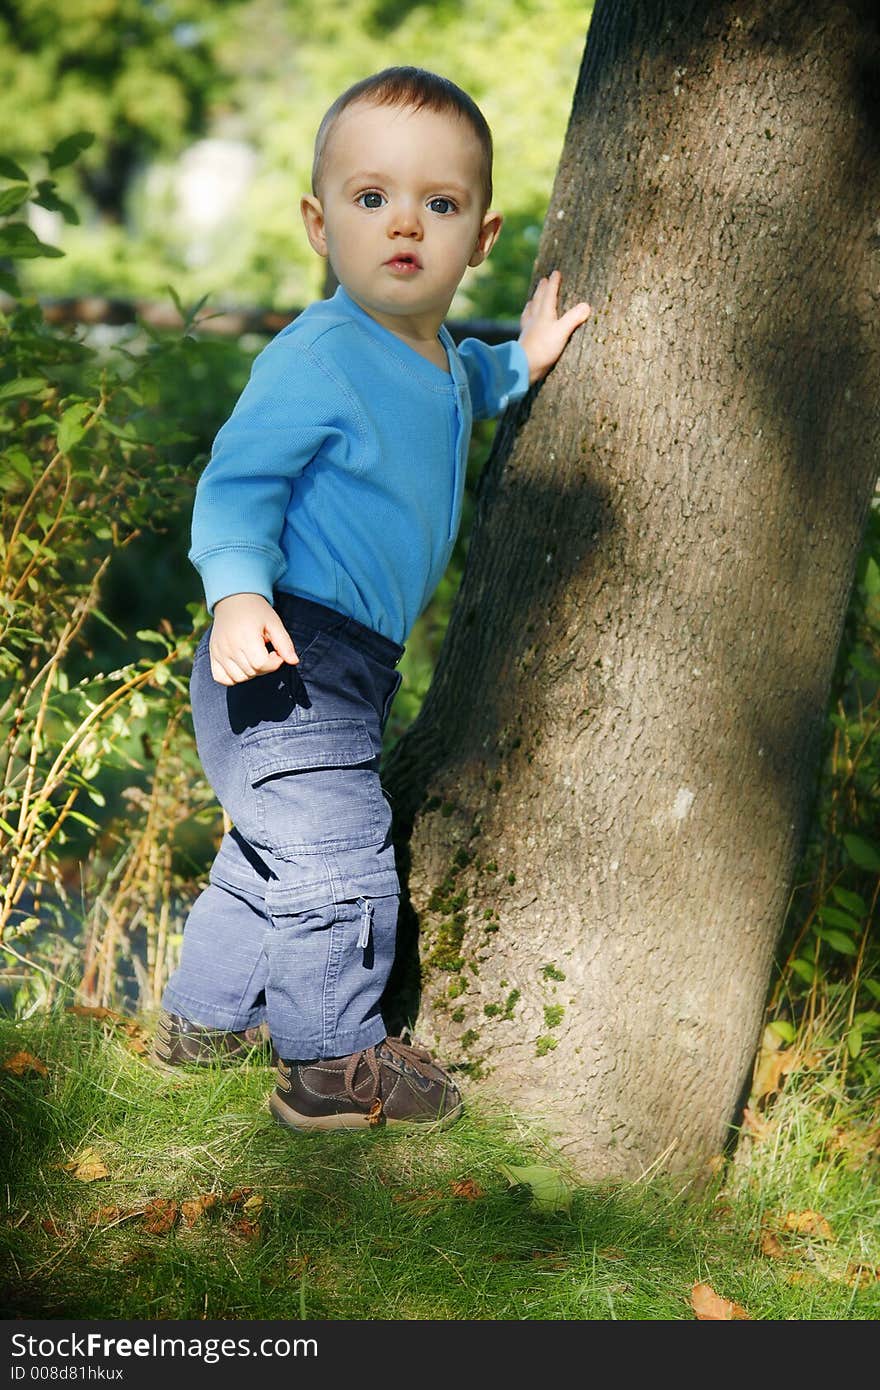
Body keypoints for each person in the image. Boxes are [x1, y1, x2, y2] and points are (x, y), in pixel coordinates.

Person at [152, 66, 591, 1131]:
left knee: (273, 856)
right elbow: (238, 486)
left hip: (349, 662)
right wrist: (234, 597)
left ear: (478, 238)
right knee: (343, 849)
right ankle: (331, 1065)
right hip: (284, 644)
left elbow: (464, 394)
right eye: (370, 199)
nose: (406, 224)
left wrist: (521, 361)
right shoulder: (318, 356)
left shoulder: (439, 356)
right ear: (318, 223)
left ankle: (200, 1021)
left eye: (438, 205)